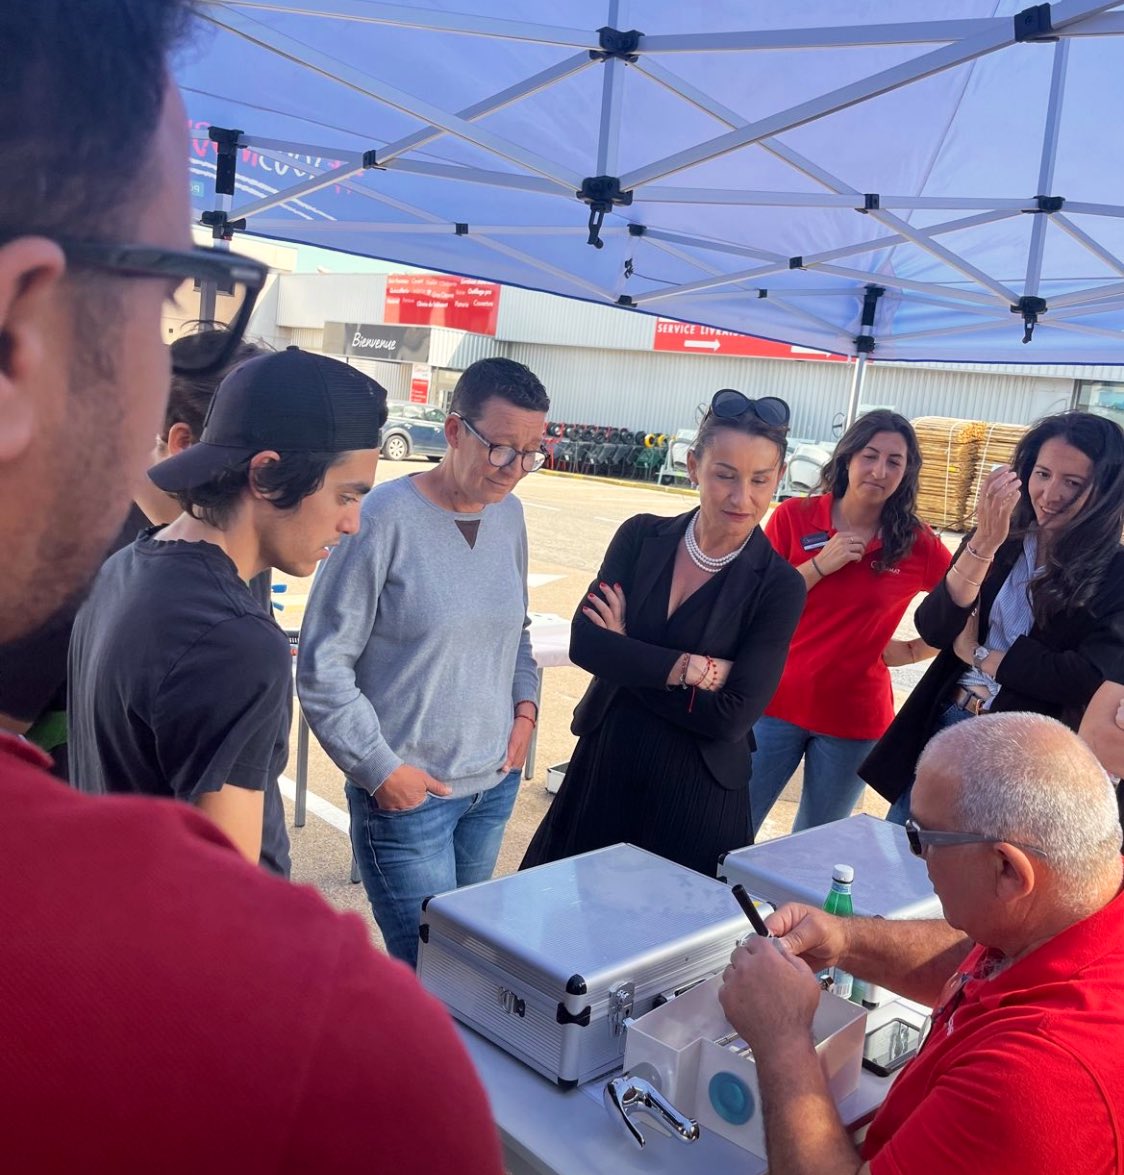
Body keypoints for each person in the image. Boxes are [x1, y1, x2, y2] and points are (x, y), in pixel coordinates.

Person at [0, 4, 502, 1168]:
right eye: (178, 287)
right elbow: (221, 909)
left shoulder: (132, 566)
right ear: (22, 333)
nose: (351, 524)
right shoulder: (329, 1052)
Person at [719, 712, 1124, 1174]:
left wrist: (783, 1038)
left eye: (921, 837)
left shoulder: (1037, 1081)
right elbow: (983, 955)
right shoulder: (1075, 904)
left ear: (1008, 870)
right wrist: (845, 939)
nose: (919, 857)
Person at [68, 346, 385, 876]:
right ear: (264, 475)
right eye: (346, 496)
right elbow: (227, 895)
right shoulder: (233, 640)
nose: (352, 523)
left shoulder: (125, 568)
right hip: (182, 949)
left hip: (114, 916)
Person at [297, 356, 548, 966]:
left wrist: (525, 710)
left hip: (491, 789)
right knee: (432, 979)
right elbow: (323, 665)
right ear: (456, 430)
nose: (515, 470)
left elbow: (515, 629)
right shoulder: (381, 519)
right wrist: (381, 770)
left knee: (472, 973)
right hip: (411, 803)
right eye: (502, 449)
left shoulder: (509, 515)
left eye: (533, 451)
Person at [522, 389, 805, 876]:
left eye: (760, 479)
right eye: (724, 475)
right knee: (569, 925)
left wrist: (627, 651)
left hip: (696, 793)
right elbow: (585, 642)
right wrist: (689, 669)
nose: (743, 497)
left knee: (672, 943)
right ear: (694, 466)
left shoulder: (779, 585)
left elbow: (733, 717)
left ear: (779, 477)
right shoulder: (640, 536)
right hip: (606, 764)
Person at [0, 329, 263, 780]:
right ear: (182, 442)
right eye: (257, 462)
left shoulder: (232, 540)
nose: (270, 487)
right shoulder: (72, 546)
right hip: (80, 829)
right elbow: (8, 721)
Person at [861, 410, 1124, 822]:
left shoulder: (1114, 572)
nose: (1050, 494)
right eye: (1042, 474)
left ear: (1106, 491)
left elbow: (1083, 677)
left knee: (976, 874)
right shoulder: (1000, 536)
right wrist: (982, 543)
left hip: (1025, 751)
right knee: (899, 857)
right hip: (950, 718)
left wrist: (980, 656)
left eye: (1073, 483)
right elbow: (933, 626)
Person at [750, 411, 951, 834]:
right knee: (730, 824)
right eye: (870, 455)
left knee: (815, 846)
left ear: (906, 473)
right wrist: (819, 565)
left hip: (852, 722)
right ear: (847, 459)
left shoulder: (917, 543)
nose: (879, 471)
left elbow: (963, 606)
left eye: (894, 462)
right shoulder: (794, 517)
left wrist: (917, 649)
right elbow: (754, 600)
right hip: (772, 704)